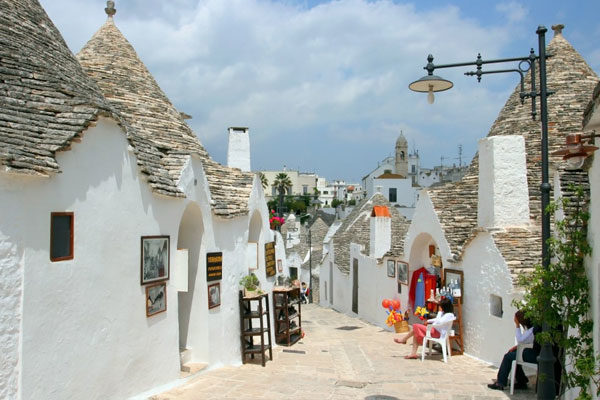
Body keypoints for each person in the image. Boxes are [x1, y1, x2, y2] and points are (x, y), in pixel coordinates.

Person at [487, 310, 540, 391]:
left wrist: (517, 325)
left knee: (508, 357)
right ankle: (522, 381)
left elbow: (520, 340)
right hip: (532, 351)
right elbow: (526, 342)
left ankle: (500, 383)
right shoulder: (532, 329)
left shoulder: (531, 331)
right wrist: (516, 348)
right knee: (513, 354)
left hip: (533, 354)